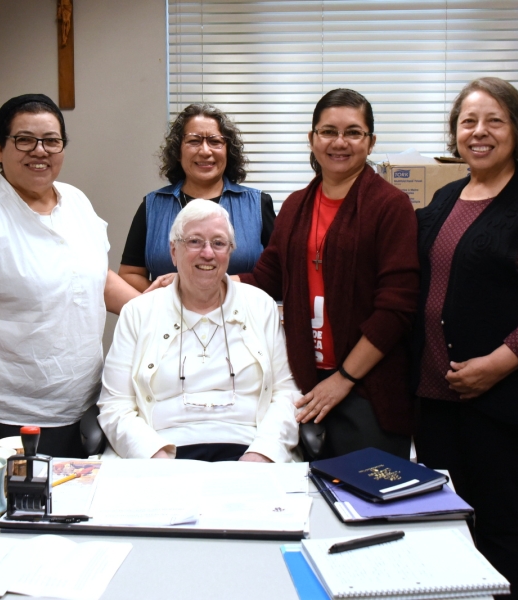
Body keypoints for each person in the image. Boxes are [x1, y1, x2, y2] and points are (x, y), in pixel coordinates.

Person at [411, 77, 518, 599]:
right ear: (455, 133)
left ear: (517, 129)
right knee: (445, 516)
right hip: (438, 395)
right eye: (468, 121)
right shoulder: (445, 198)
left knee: (496, 518)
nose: (479, 132)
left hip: (502, 397)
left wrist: (498, 364)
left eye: (494, 120)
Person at [0, 93, 140, 458]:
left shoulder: (76, 202)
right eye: (24, 139)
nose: (40, 151)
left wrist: (154, 309)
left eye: (52, 141)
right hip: (10, 414)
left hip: (85, 402)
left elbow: (95, 279)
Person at [237, 89, 420, 460]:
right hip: (304, 377)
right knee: (303, 495)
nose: (340, 142)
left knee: (367, 496)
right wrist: (200, 282)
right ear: (312, 139)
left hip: (368, 383)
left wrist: (345, 378)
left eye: (353, 132)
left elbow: (396, 309)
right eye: (328, 131)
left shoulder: (390, 206)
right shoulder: (294, 206)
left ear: (370, 142)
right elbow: (266, 278)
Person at [98, 200, 300, 462]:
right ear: (173, 251)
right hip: (163, 451)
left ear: (230, 251)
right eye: (194, 241)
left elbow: (286, 394)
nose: (208, 253)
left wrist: (262, 454)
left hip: (249, 448)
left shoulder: (261, 305)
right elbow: (115, 405)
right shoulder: (138, 312)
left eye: (218, 243)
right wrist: (155, 456)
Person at [118, 104, 276, 291]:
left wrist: (211, 284)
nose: (205, 151)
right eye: (194, 141)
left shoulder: (258, 205)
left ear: (228, 150)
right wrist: (173, 297)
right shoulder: (153, 206)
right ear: (178, 151)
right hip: (172, 317)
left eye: (215, 141)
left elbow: (279, 274)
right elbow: (130, 274)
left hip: (242, 318)